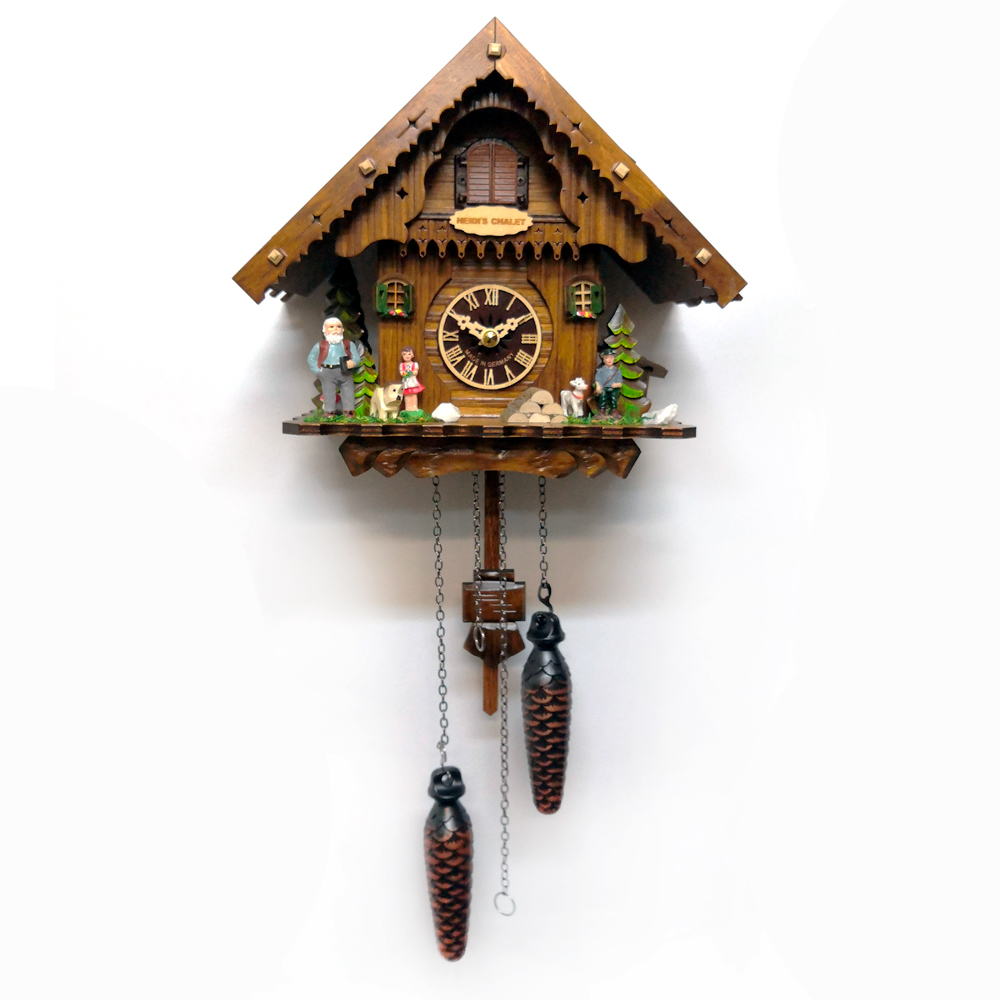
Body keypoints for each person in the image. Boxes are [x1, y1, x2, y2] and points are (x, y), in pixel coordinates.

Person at [307, 317, 365, 416]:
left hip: (344, 371)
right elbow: (311, 359)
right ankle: (330, 412)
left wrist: (353, 362)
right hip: (327, 372)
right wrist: (318, 371)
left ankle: (349, 411)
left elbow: (356, 358)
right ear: (324, 330)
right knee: (328, 392)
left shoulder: (348, 345)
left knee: (348, 391)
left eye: (338, 327)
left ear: (342, 330)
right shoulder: (320, 346)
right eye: (331, 327)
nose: (335, 329)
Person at [593, 346, 623, 415]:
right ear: (603, 359)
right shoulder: (600, 370)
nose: (609, 360)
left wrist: (616, 385)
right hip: (604, 388)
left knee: (613, 396)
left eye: (611, 358)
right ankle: (602, 410)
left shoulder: (617, 371)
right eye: (607, 358)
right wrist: (598, 387)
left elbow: (620, 383)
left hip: (613, 388)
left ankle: (614, 410)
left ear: (614, 359)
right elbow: (597, 380)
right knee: (603, 396)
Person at [399, 347, 425, 412]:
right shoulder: (402, 365)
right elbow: (401, 372)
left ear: (412, 355)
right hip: (406, 381)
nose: (407, 356)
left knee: (413, 394)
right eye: (404, 354)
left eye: (409, 354)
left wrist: (412, 372)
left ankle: (414, 406)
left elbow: (415, 372)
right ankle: (408, 407)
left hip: (412, 381)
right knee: (407, 395)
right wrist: (404, 373)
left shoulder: (414, 364)